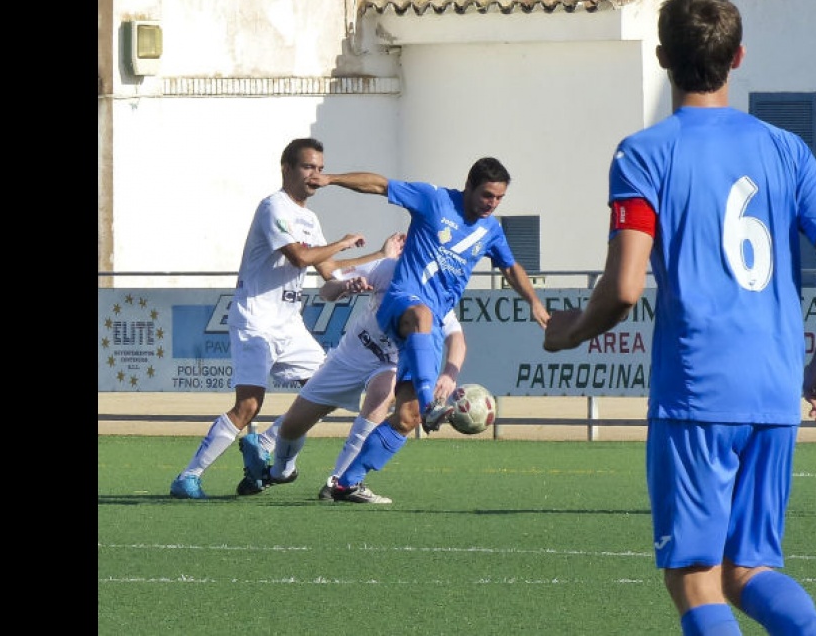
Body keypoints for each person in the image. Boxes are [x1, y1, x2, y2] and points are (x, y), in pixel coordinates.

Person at [543, 0, 816, 636]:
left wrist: (570, 329)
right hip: (773, 387)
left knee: (694, 575)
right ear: (738, 57)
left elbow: (625, 286)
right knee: (748, 570)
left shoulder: (644, 152)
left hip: (697, 388)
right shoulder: (785, 150)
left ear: (662, 56)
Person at [311, 157, 550, 503]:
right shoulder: (433, 199)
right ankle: (431, 404)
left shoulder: (490, 230)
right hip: (402, 302)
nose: (492, 204)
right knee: (421, 314)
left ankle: (347, 482)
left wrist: (534, 302)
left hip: (430, 326)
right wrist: (331, 179)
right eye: (487, 195)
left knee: (407, 418)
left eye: (499, 198)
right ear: (469, 186)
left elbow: (511, 269)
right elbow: (379, 184)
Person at [169, 137, 395, 500]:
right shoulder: (273, 207)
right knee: (248, 406)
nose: (316, 175)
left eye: (320, 168)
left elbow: (326, 268)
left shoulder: (309, 218)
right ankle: (188, 477)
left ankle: (267, 444)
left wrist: (378, 256)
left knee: (327, 389)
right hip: (255, 320)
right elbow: (299, 258)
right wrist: (341, 242)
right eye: (308, 167)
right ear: (287, 169)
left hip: (290, 325)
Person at [238, 233, 468, 504]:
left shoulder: (435, 293)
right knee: (292, 427)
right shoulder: (386, 268)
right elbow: (327, 290)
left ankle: (341, 482)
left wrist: (450, 372)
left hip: (388, 363)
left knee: (382, 395)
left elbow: (457, 337)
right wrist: (346, 287)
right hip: (351, 355)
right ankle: (280, 471)